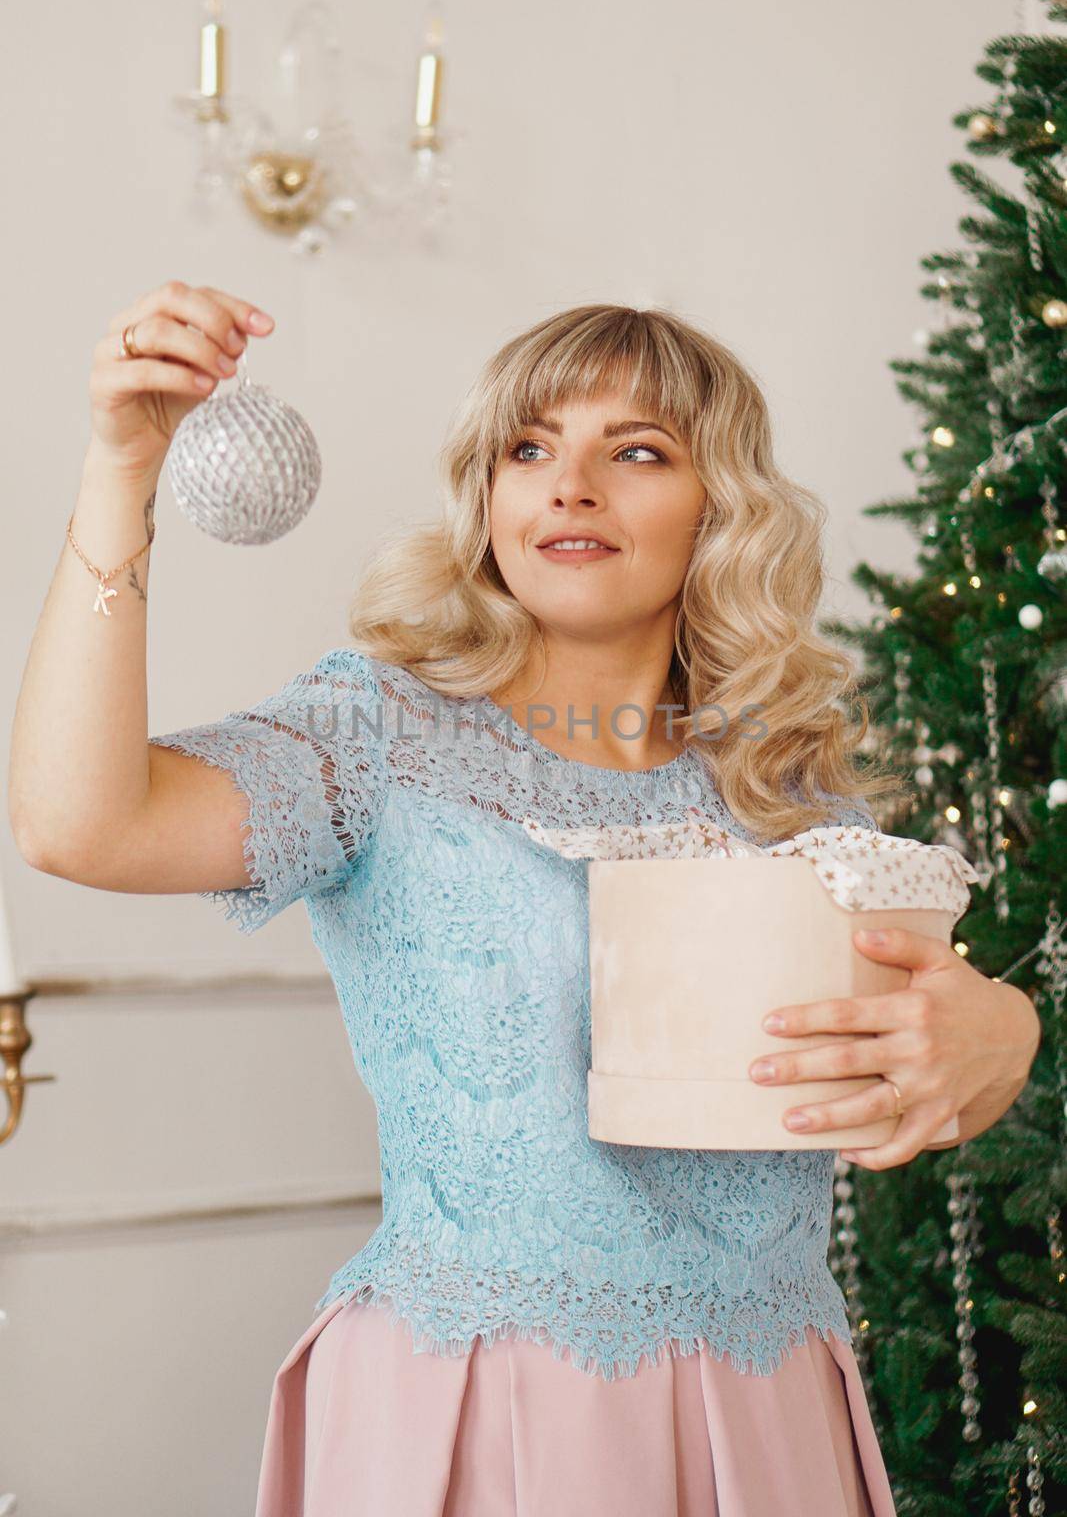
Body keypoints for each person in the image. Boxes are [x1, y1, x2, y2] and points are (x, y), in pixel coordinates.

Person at [8, 287, 1042, 1517]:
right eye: (529, 447)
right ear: (487, 497)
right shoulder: (375, 735)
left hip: (767, 1414)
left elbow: (921, 1056)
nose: (571, 484)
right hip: (465, 1407)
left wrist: (1007, 1030)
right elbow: (80, 825)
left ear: (720, 508)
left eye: (638, 451)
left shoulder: (797, 790)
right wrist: (122, 465)